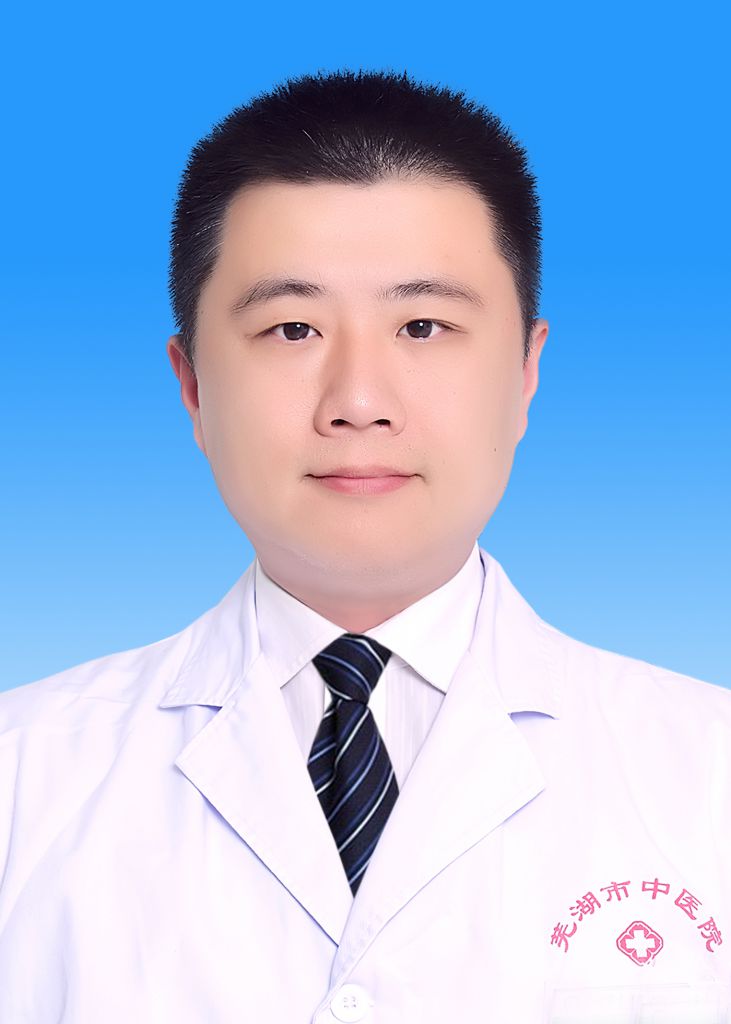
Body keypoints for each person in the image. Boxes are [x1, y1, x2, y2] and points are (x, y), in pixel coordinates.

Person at [0, 68, 729, 1024]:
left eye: (422, 326)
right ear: (192, 386)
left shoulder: (708, 772)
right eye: (291, 328)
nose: (356, 401)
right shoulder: (22, 776)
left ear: (525, 372)